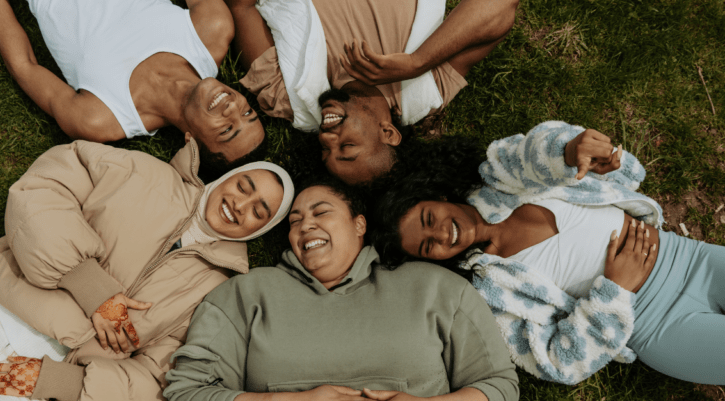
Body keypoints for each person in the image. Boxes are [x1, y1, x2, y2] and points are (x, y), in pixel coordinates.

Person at [370, 120, 725, 385]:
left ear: (438, 196)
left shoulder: (500, 179)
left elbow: (536, 151)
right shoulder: (489, 295)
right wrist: (616, 290)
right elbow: (559, 361)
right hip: (658, 326)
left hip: (691, 258)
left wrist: (570, 151)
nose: (441, 234)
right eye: (427, 245)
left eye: (429, 218)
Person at [0, 137, 294, 400]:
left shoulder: (222, 291)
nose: (240, 203)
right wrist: (91, 287)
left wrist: (67, 384)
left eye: (259, 211)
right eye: (243, 186)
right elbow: (44, 187)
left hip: (45, 381)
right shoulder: (142, 172)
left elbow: (165, 377)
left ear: (260, 230)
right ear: (229, 176)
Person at [163, 178, 519, 401]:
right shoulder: (244, 295)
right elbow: (186, 391)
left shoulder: (436, 287)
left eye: (321, 212)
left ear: (359, 224)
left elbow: (498, 385)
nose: (306, 226)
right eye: (295, 221)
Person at [225, 0, 519, 185]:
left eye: (326, 150)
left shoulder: (285, 95)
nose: (326, 138)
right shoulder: (427, 88)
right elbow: (501, 7)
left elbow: (241, 6)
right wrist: (418, 62)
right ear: (388, 133)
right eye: (347, 147)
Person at [0, 0, 267, 178]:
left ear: (190, 141)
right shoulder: (211, 31)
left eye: (226, 129)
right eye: (248, 113)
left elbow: (24, 65)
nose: (233, 109)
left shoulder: (101, 118)